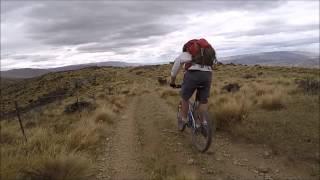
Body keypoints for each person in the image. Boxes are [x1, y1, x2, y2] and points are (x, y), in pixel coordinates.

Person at [169, 38, 217, 125]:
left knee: (185, 97)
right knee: (203, 100)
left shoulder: (187, 53)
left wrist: (172, 81)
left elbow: (175, 68)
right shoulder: (205, 54)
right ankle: (203, 122)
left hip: (193, 75)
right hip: (208, 75)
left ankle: (184, 118)